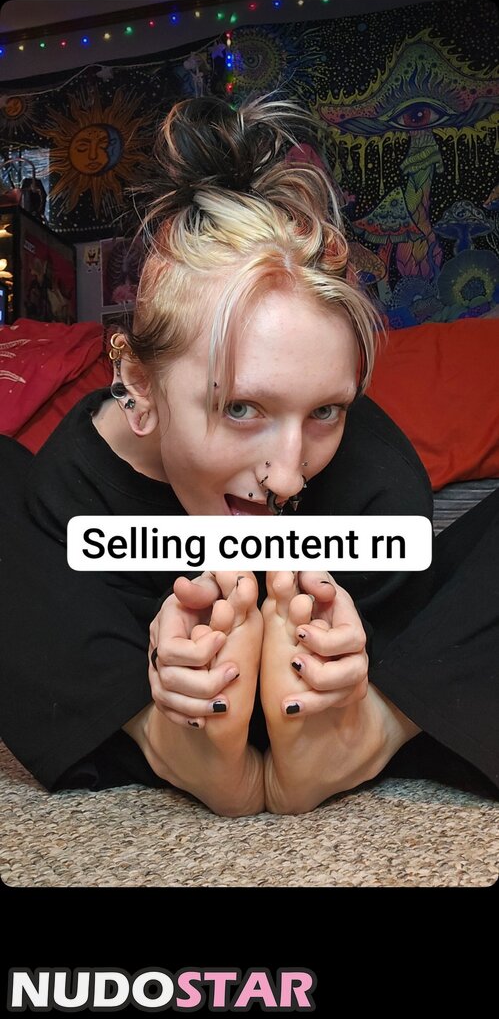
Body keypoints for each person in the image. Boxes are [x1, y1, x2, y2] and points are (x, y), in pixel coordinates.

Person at [0, 96, 497, 816]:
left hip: (358, 693)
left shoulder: (377, 479)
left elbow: (407, 635)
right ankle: (172, 747)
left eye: (325, 411)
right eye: (241, 408)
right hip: (142, 701)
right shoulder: (72, 487)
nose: (289, 475)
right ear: (139, 383)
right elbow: (59, 648)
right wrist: (161, 690)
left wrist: (365, 695)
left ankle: (367, 738)